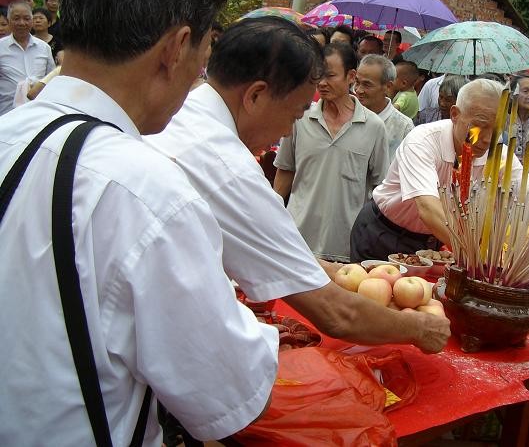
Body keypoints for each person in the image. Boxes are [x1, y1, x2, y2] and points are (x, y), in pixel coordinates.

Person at [0, 0, 278, 445]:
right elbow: (225, 391)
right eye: (204, 52)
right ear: (176, 48)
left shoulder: (11, 132)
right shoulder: (147, 192)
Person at [145, 18, 449, 352]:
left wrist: (327, 269)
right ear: (256, 95)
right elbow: (337, 315)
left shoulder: (178, 114)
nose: (290, 131)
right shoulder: (228, 166)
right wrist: (419, 327)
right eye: (294, 114)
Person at [350, 78, 529, 261]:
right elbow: (428, 207)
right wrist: (478, 258)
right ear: (455, 114)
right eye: (480, 126)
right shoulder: (422, 140)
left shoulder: (498, 152)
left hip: (434, 244)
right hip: (383, 234)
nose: (487, 139)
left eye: (497, 128)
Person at [274, 42, 389, 257]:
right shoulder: (300, 118)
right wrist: (271, 216)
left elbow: (380, 188)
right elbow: (285, 170)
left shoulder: (373, 126)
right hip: (297, 242)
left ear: (351, 76)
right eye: (318, 76)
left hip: (347, 248)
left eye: (330, 76)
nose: (322, 83)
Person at [354, 53, 414, 162]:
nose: (358, 90)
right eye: (357, 82)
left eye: (367, 85)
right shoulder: (347, 115)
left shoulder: (404, 127)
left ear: (388, 86)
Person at [0, 0, 56, 116]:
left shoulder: (44, 48)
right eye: (16, 18)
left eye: (26, 18)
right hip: (6, 114)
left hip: (37, 114)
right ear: (9, 20)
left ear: (31, 21)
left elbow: (52, 79)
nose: (21, 23)